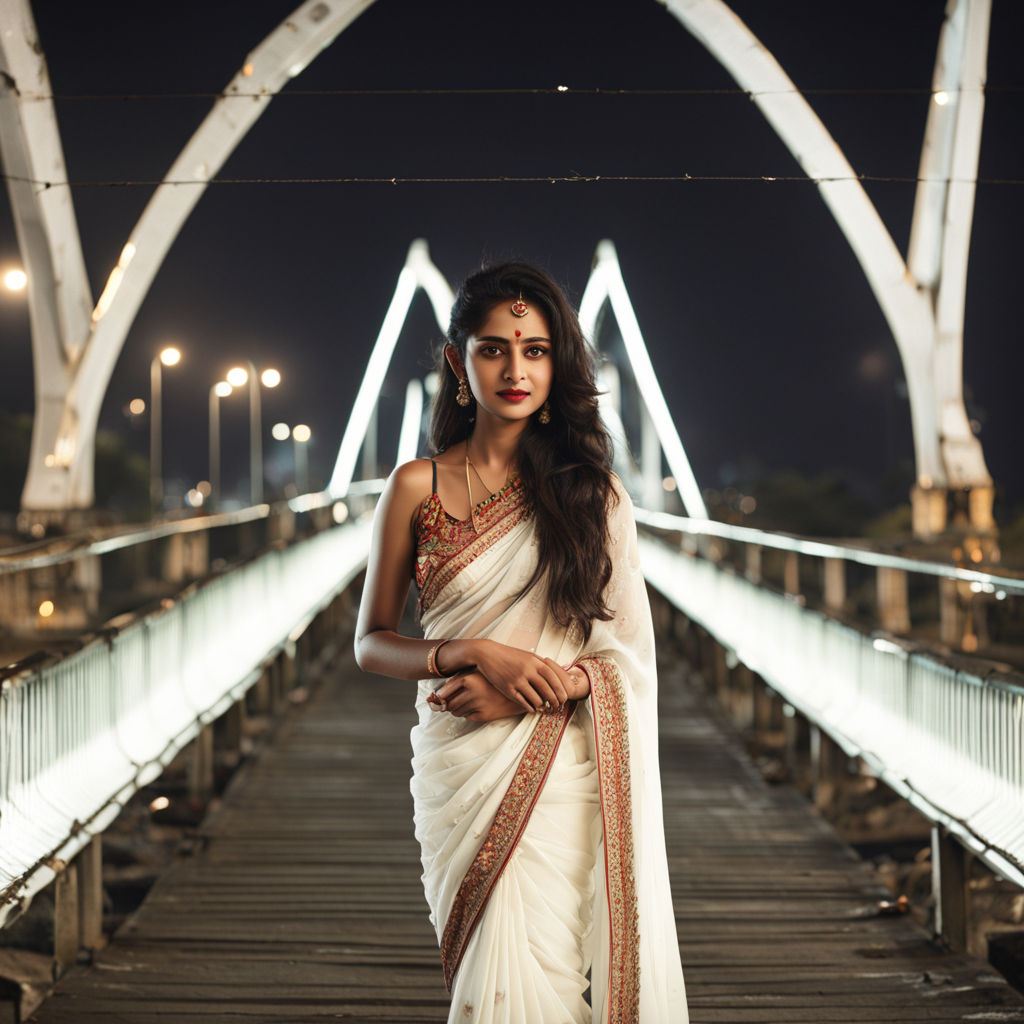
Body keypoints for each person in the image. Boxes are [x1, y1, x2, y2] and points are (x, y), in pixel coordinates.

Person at [355, 260, 687, 1023]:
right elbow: (371, 644)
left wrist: (527, 690)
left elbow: (626, 655)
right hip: (458, 766)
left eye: (535, 349)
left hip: (559, 768)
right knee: (488, 976)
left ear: (556, 363)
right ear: (457, 362)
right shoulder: (416, 487)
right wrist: (472, 653)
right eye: (495, 348)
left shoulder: (593, 495)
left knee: (545, 972)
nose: (516, 368)